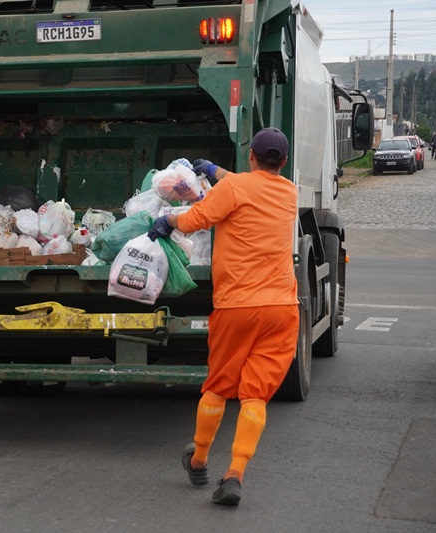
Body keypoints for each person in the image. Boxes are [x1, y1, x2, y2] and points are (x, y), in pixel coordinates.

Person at [147, 127, 299, 507]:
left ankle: (198, 460)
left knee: (218, 386)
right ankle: (235, 473)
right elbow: (249, 186)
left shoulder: (235, 189)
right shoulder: (289, 192)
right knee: (255, 396)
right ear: (282, 162)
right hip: (282, 309)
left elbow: (199, 217)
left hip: (238, 307)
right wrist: (214, 171)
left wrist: (167, 223)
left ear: (251, 156)